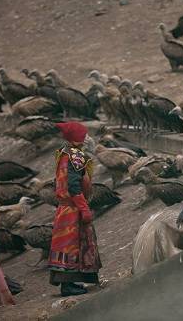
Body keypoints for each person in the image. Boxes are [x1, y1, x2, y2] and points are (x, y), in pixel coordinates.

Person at [49, 121, 102, 296]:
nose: (86, 137)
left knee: (66, 245)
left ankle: (70, 284)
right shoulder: (76, 157)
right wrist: (84, 208)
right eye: (83, 135)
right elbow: (73, 185)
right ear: (77, 138)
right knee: (72, 245)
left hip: (64, 209)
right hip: (72, 209)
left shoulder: (63, 153)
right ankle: (68, 286)